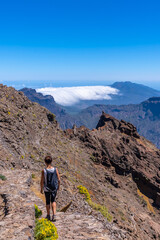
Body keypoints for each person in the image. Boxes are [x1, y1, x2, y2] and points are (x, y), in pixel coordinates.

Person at [40, 155, 60, 221]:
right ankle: (54, 215)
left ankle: (48, 215)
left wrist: (41, 189)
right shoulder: (55, 169)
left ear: (45, 162)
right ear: (51, 161)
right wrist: (58, 186)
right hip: (54, 187)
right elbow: (59, 179)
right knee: (53, 200)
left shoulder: (44, 170)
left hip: (47, 188)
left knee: (48, 201)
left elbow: (42, 181)